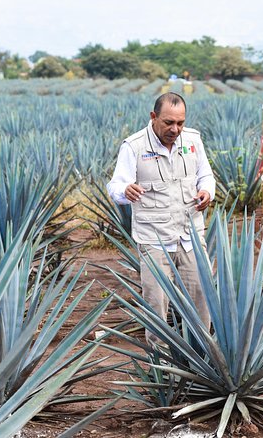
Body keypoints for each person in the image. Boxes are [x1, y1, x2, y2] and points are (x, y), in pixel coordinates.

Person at [107, 92, 215, 345]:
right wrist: (125, 191)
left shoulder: (193, 140)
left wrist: (207, 191)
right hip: (154, 240)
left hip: (190, 235)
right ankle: (162, 367)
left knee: (202, 298)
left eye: (180, 123)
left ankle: (202, 356)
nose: (175, 129)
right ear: (153, 117)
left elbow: (206, 175)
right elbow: (115, 186)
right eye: (168, 122)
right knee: (156, 304)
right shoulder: (134, 146)